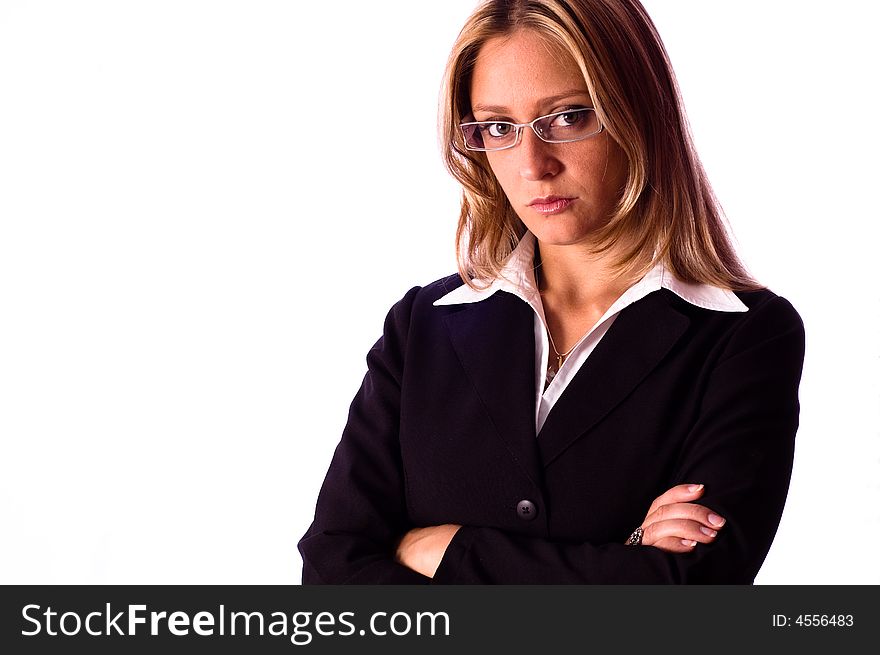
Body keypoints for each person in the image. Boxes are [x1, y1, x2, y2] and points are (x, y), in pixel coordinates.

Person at [298, 0, 805, 584]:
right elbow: (332, 572)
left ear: (636, 112)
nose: (533, 165)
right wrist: (627, 555)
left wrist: (450, 551)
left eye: (567, 117)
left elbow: (692, 593)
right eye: (499, 127)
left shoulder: (745, 335)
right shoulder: (423, 327)